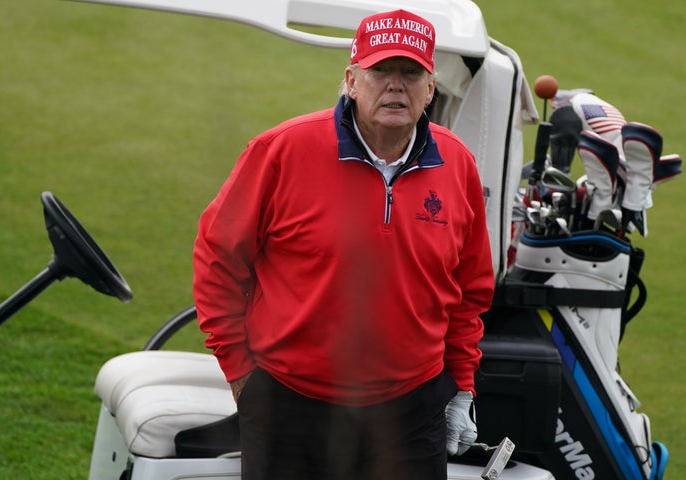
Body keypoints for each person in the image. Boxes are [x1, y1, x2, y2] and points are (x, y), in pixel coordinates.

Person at [193, 9, 495, 480]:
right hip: (289, 406)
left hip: (411, 413)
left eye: (411, 73)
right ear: (352, 80)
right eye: (380, 71)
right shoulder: (281, 151)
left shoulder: (457, 165)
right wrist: (240, 375)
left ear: (431, 88)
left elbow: (469, 288)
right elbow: (217, 259)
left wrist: (460, 386)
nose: (396, 85)